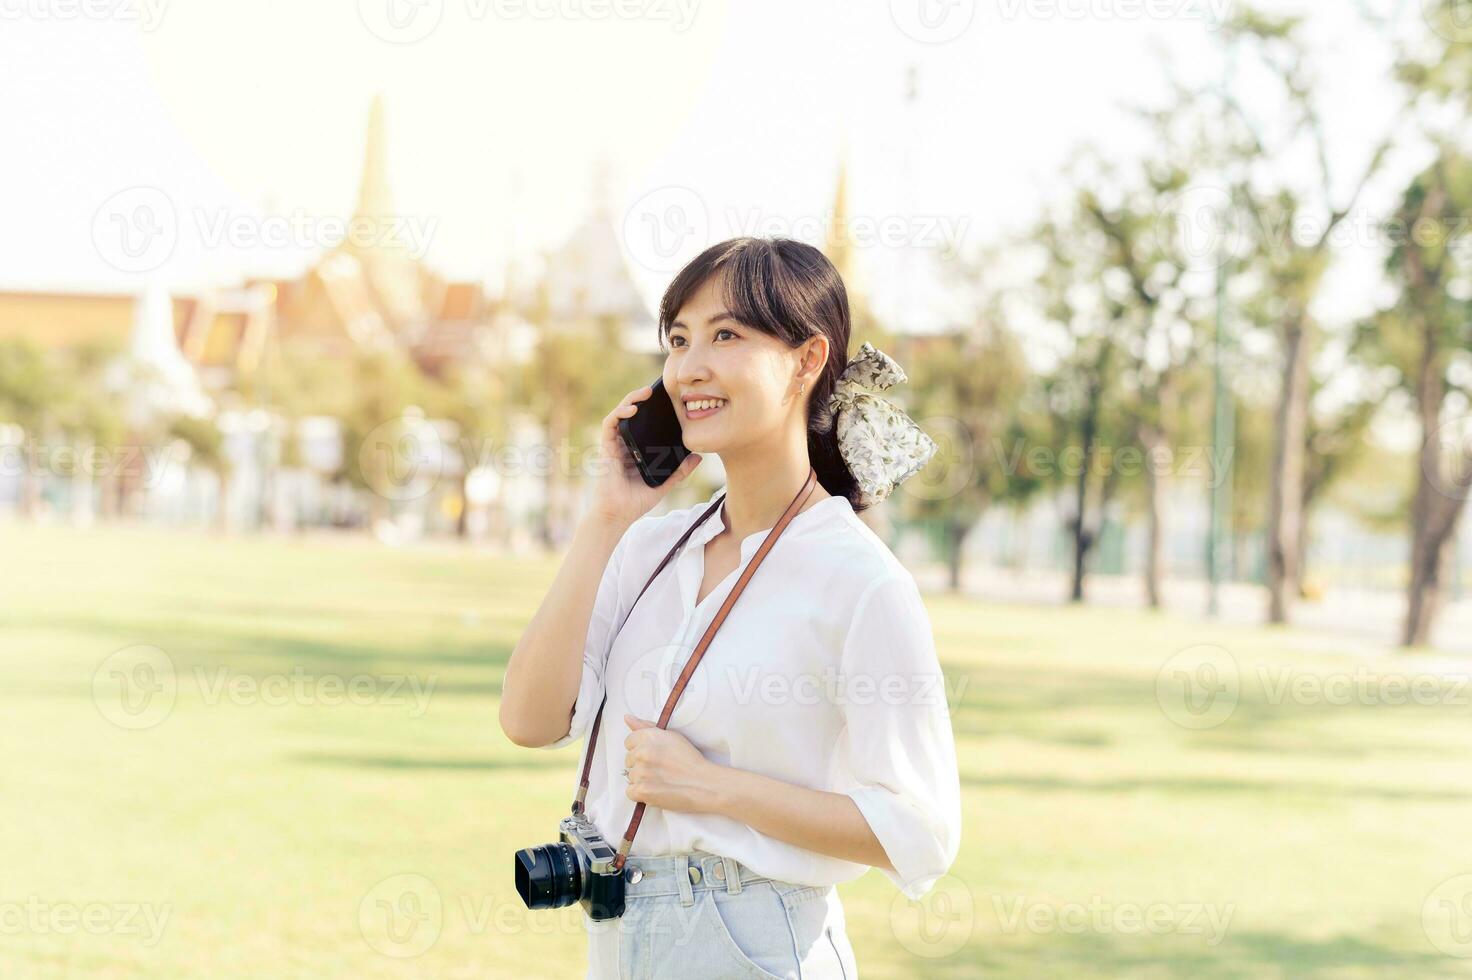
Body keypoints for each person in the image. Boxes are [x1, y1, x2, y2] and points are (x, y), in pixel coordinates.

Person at [499, 237, 961, 979]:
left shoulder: (861, 581)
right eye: (678, 340)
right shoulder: (647, 545)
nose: (689, 368)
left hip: (758, 943)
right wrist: (605, 519)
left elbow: (920, 831)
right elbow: (529, 721)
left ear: (807, 361)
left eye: (726, 336)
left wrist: (713, 787)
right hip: (621, 937)